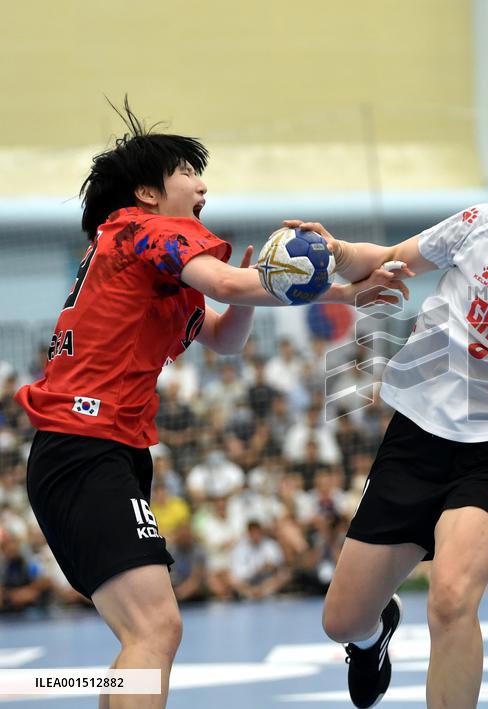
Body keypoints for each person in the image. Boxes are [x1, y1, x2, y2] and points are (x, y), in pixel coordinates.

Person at [13, 101, 405, 708]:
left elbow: (226, 335)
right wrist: (345, 289)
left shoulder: (154, 276)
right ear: (147, 192)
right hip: (84, 447)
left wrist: (254, 293)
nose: (202, 186)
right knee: (155, 631)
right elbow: (226, 283)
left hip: (102, 453)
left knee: (141, 639)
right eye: (189, 173)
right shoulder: (141, 229)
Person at [286, 102, 488, 708]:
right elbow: (390, 260)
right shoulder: (482, 225)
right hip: (417, 437)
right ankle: (372, 636)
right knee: (342, 619)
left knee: (451, 597)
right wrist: (336, 253)